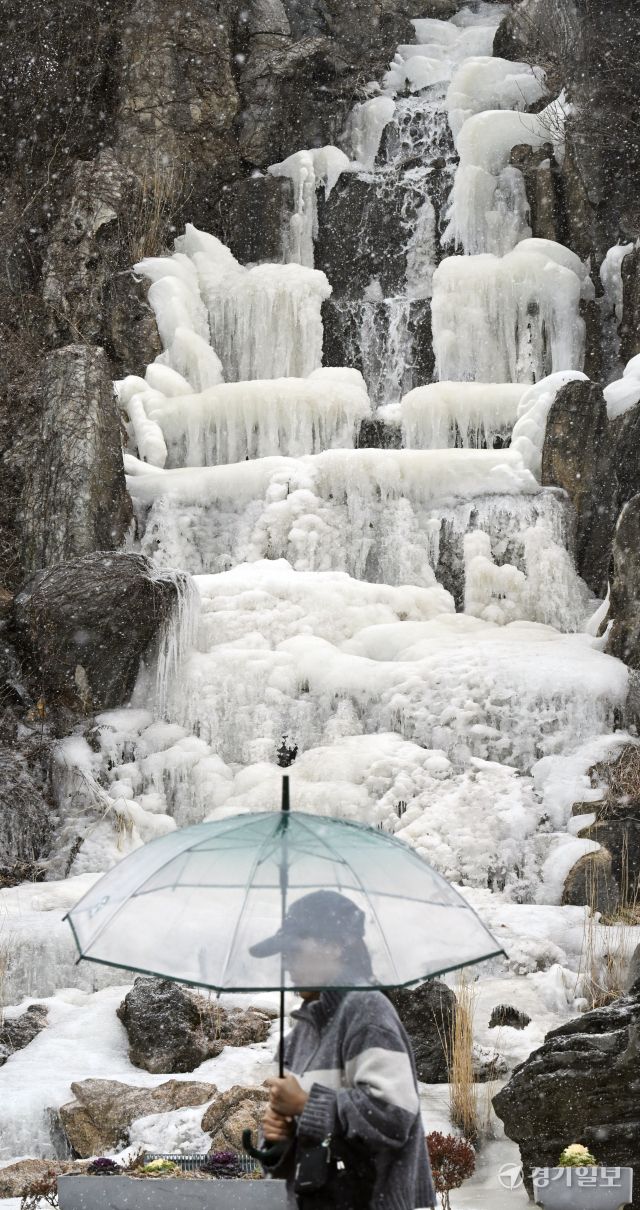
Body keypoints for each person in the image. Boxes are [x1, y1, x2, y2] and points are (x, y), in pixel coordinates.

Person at [249, 889, 436, 1210]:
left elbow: (393, 1116)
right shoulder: (298, 1036)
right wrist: (277, 1139)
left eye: (293, 950)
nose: (286, 963)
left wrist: (305, 1104)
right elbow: (304, 1149)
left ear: (335, 946)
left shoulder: (367, 1011)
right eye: (283, 954)